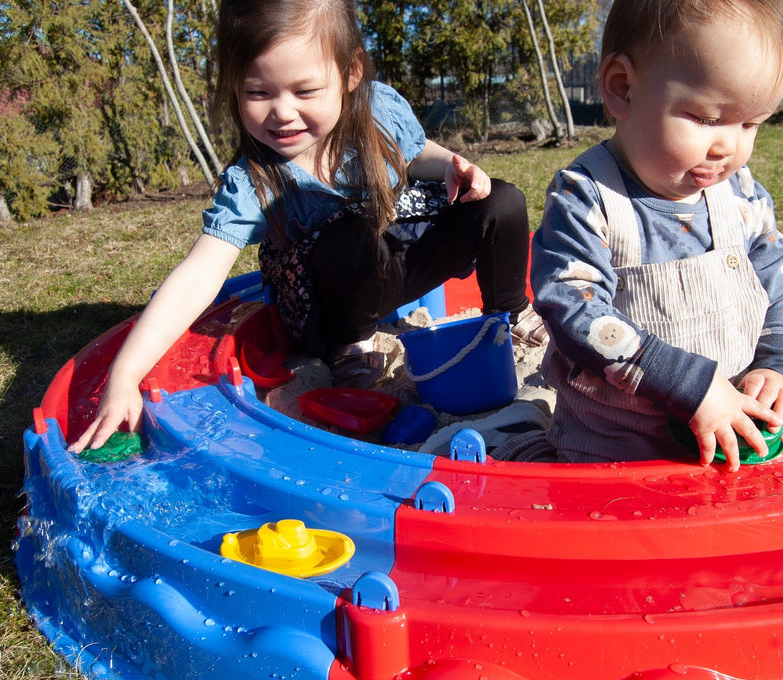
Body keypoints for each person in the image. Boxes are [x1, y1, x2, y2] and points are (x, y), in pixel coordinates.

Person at [71, 0, 539, 453]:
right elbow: (198, 276)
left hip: (393, 257)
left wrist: (449, 167)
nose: (282, 111)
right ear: (234, 88)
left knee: (501, 200)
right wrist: (124, 376)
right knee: (351, 231)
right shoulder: (253, 180)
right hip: (325, 302)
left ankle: (511, 314)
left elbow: (413, 152)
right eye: (258, 92)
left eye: (305, 91)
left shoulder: (375, 111)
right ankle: (350, 347)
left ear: (350, 73)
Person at [530, 0, 783, 471]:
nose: (728, 146)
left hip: (738, 426)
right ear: (623, 88)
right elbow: (572, 309)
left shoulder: (740, 195)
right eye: (706, 118)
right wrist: (689, 385)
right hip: (618, 438)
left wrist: (779, 365)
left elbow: (781, 286)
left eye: (750, 124)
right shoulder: (588, 197)